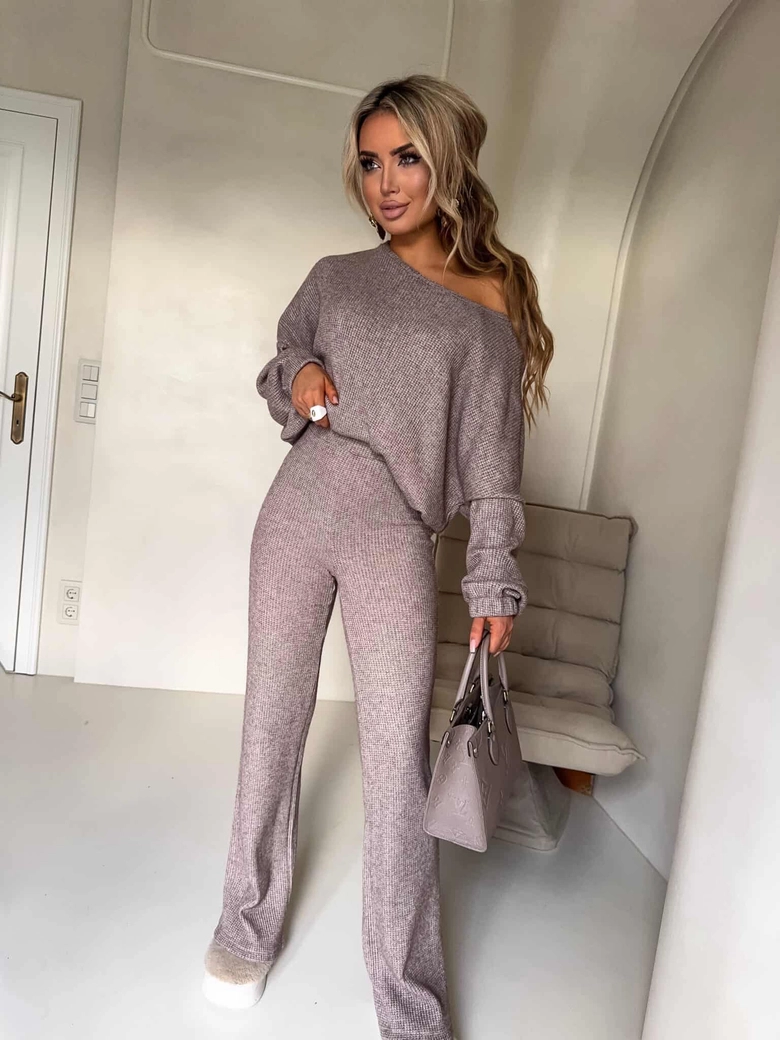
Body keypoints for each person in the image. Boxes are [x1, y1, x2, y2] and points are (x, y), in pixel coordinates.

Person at [202, 73, 554, 1040]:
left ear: (447, 164)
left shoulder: (487, 302)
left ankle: (407, 993)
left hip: (397, 532)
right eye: (369, 162)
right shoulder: (334, 275)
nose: (385, 183)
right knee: (270, 727)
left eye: (405, 159)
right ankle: (244, 925)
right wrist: (301, 373)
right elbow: (284, 357)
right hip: (298, 507)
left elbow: (493, 464)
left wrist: (493, 579)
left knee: (398, 762)